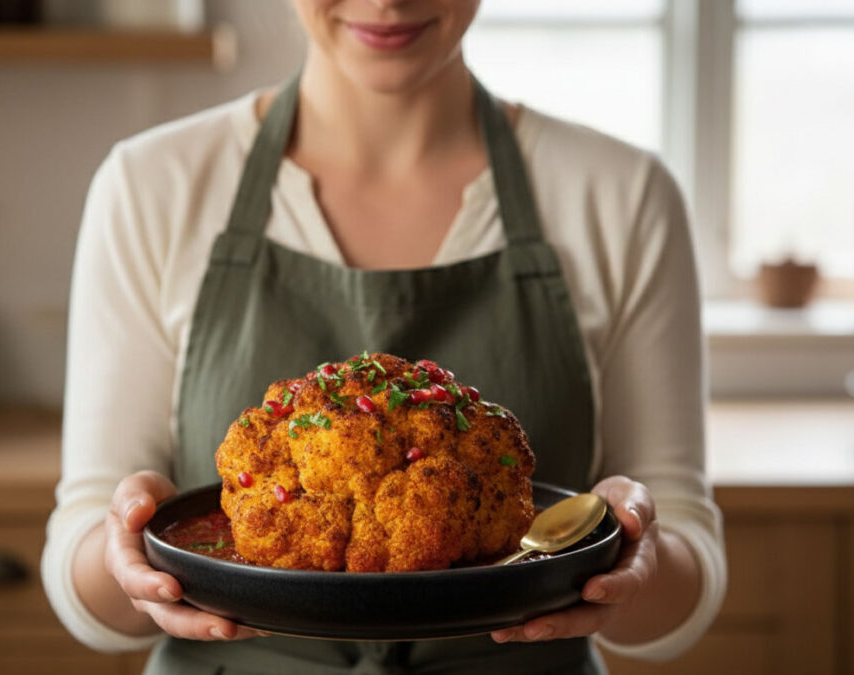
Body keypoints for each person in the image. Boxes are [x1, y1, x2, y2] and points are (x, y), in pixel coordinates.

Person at [41, 1, 727, 673]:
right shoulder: (151, 186)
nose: (387, 2)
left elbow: (683, 583)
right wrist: (125, 554)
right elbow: (86, 575)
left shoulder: (623, 195)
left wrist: (627, 552)